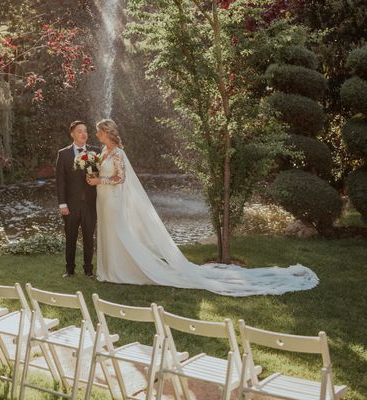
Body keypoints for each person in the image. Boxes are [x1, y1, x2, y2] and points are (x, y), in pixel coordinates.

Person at [86, 118, 319, 296]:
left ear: (107, 132)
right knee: (107, 232)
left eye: (98, 131)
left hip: (113, 198)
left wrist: (99, 180)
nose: (96, 134)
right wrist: (93, 174)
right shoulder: (104, 151)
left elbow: (120, 179)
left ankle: (121, 269)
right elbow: (103, 172)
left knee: (118, 233)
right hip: (103, 199)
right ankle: (107, 270)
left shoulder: (118, 153)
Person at [55, 120, 102, 278]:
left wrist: (94, 175)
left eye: (85, 131)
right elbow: (60, 182)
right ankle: (69, 270)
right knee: (71, 238)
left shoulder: (96, 151)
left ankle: (88, 270)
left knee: (89, 238)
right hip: (71, 205)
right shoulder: (64, 154)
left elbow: (99, 175)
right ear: (72, 134)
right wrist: (62, 204)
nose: (84, 134)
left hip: (90, 204)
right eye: (80, 131)